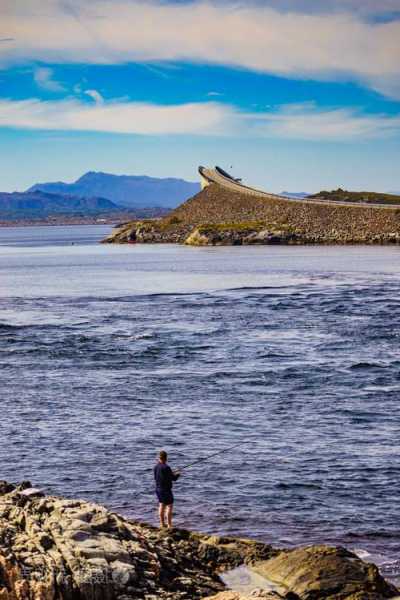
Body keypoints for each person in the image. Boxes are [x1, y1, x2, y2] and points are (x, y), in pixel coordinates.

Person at [154, 450, 180, 528]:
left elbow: (157, 477)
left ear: (159, 458)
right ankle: (169, 525)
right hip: (166, 490)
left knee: (161, 505)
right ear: (166, 458)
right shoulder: (167, 467)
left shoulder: (156, 467)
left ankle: (162, 524)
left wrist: (170, 473)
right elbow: (174, 478)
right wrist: (178, 474)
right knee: (169, 506)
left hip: (158, 489)